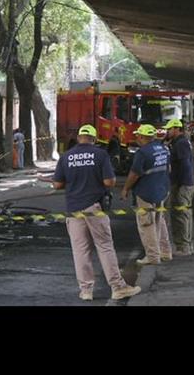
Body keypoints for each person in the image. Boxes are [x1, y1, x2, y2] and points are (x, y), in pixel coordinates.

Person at [53, 124, 141, 302]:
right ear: (93, 139)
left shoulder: (66, 156)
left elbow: (57, 184)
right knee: (105, 247)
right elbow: (109, 182)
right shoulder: (100, 155)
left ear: (79, 138)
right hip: (94, 208)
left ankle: (86, 290)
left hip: (73, 210)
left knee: (80, 251)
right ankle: (117, 287)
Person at [121, 124, 172, 265]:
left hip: (146, 193)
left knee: (147, 225)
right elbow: (169, 168)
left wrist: (125, 188)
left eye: (138, 135)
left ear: (143, 137)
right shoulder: (163, 148)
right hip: (161, 190)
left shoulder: (142, 153)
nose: (136, 137)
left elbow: (134, 174)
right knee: (159, 221)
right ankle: (165, 252)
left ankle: (153, 256)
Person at [164, 118, 194, 256]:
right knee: (179, 214)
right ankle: (182, 245)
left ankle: (184, 247)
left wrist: (181, 184)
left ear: (177, 129)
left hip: (183, 184)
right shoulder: (178, 142)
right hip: (182, 183)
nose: (167, 132)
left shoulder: (181, 143)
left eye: (169, 129)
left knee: (182, 215)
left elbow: (185, 166)